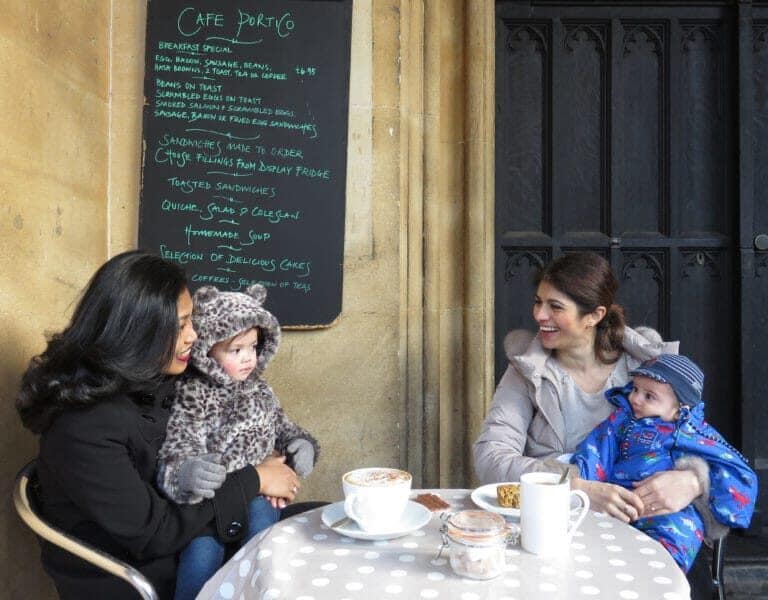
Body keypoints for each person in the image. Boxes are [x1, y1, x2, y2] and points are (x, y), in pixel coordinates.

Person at [15, 250, 301, 600]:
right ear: (137, 332)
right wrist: (255, 478)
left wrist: (272, 456)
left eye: (191, 321)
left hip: (203, 535)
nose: (193, 335)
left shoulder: (154, 379)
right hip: (152, 576)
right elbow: (154, 532)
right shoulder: (81, 427)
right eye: (180, 325)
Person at [474, 252, 709, 525]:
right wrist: (573, 487)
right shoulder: (526, 371)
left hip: (643, 524)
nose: (540, 314)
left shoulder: (649, 369)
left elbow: (707, 446)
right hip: (553, 521)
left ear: (594, 315)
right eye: (538, 302)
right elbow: (490, 457)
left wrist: (692, 481)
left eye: (555, 307)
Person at [157, 284, 320, 600]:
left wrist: (301, 444)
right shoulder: (194, 393)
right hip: (210, 503)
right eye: (236, 350)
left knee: (262, 541)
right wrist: (186, 472)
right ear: (208, 350)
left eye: (253, 347)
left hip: (258, 495)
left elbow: (282, 426)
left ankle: (259, 593)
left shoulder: (260, 390)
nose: (248, 358)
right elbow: (181, 442)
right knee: (202, 554)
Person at [570, 353, 757, 571]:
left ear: (679, 409)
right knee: (588, 543)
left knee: (677, 535)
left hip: (669, 514)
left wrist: (699, 483)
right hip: (620, 504)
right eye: (635, 389)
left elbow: (742, 478)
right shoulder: (620, 422)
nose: (635, 399)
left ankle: (661, 573)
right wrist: (584, 483)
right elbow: (596, 452)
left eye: (649, 396)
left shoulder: (695, 434)